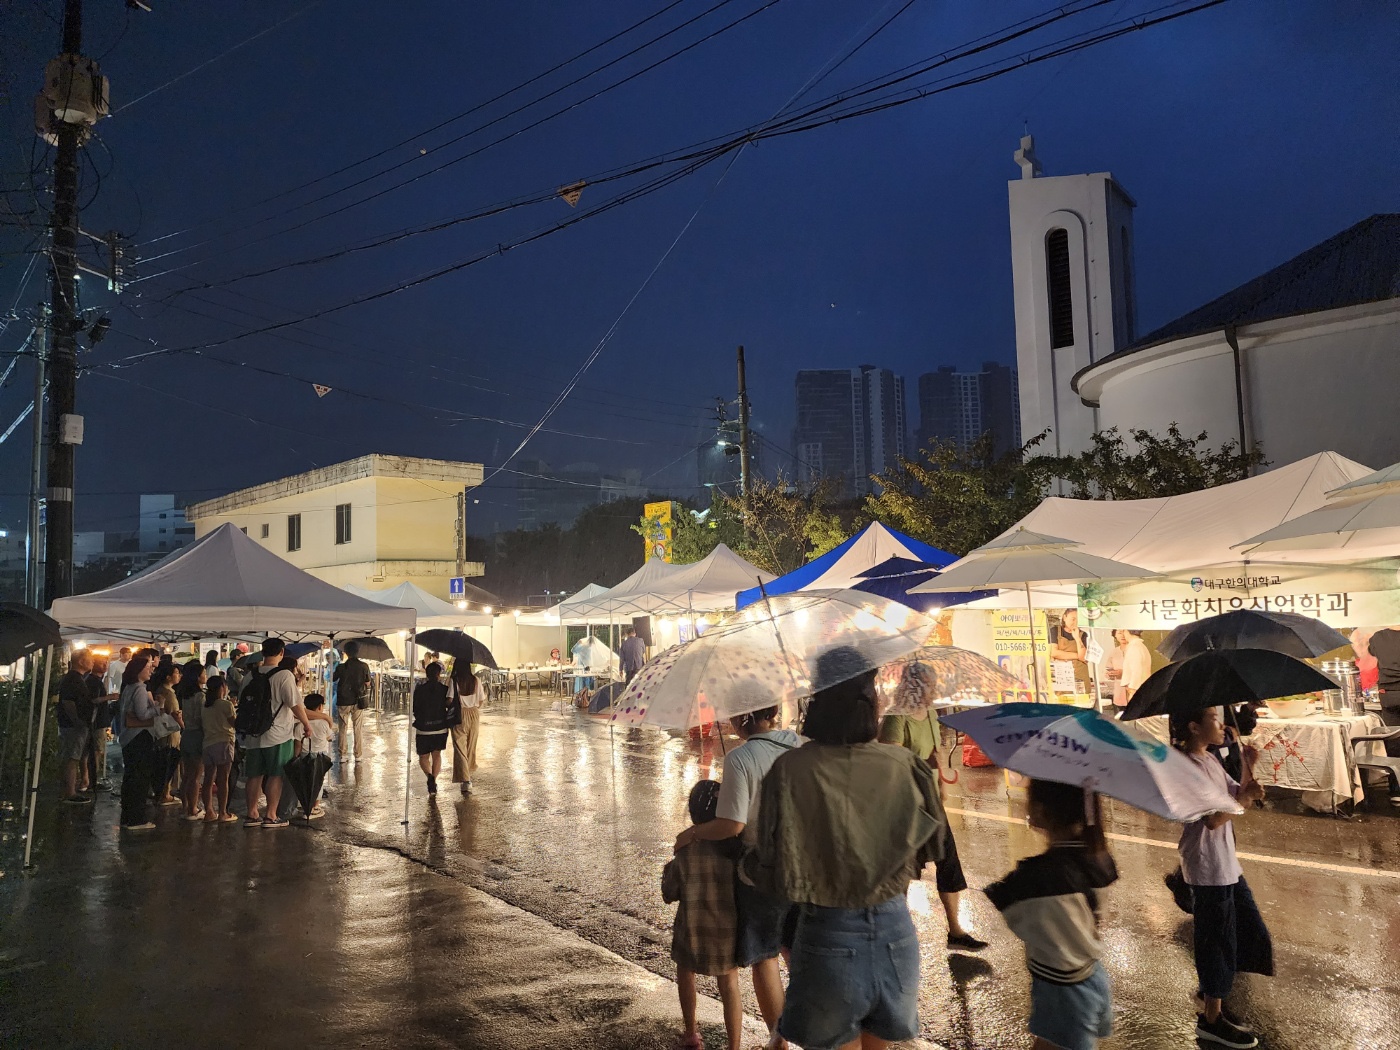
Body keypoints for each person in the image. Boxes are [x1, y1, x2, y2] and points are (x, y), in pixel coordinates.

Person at [748, 647, 948, 1050]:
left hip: (827, 935)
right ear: (872, 698)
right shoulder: (904, 766)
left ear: (817, 700)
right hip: (896, 932)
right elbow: (934, 849)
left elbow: (769, 867)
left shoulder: (789, 770)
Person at [673, 705, 799, 1040]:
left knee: (766, 959)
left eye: (732, 713)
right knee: (800, 953)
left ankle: (778, 1044)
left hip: (764, 874)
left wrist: (694, 833)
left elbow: (732, 824)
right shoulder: (797, 743)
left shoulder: (741, 759)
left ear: (744, 718)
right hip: (805, 866)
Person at [985, 779, 1118, 1050]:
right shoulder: (1099, 858)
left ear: (1043, 810)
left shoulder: (1038, 875)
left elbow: (1011, 910)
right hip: (1091, 974)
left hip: (1062, 989)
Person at [1172, 706, 1272, 1049]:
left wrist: (1248, 764)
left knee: (1244, 928)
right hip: (1207, 865)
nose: (1223, 725)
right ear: (1194, 726)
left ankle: (1214, 988)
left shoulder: (1210, 759)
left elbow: (1234, 794)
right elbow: (1213, 819)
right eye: (1214, 719)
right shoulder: (1186, 767)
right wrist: (1243, 798)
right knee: (1216, 939)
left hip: (1226, 862)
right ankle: (1212, 1019)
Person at [879, 699, 988, 951]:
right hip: (905, 802)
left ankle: (956, 931)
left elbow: (935, 756)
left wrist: (940, 787)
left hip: (930, 799)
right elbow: (890, 759)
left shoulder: (929, 714)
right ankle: (897, 930)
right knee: (906, 865)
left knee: (948, 858)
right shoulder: (897, 716)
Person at [663, 779, 745, 1050]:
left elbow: (669, 891)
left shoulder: (687, 846)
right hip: (726, 932)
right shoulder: (735, 848)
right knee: (730, 985)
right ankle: (734, 1045)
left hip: (691, 928)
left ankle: (691, 1033)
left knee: (686, 974)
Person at [242, 638, 313, 828]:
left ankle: (252, 813)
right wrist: (306, 724)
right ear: (282, 653)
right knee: (276, 775)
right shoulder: (284, 675)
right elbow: (295, 704)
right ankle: (271, 815)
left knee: (254, 775)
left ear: (263, 652)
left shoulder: (250, 675)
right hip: (278, 735)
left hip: (252, 734)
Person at [1356, 626, 1400, 805]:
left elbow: (1368, 665)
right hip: (1389, 692)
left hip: (1388, 694)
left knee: (1395, 744)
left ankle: (1397, 791)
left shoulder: (1378, 637)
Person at [117, 655, 160, 831]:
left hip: (128, 737)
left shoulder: (128, 688)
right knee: (140, 777)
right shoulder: (140, 689)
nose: (151, 669)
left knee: (130, 777)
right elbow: (142, 714)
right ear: (138, 670)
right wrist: (158, 707)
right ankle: (137, 818)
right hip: (139, 736)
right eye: (148, 667)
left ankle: (127, 817)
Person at [56, 649, 99, 804]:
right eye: (90, 659)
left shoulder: (77, 678)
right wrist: (77, 721)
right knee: (72, 757)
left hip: (75, 724)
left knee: (73, 756)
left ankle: (68, 790)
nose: (93, 661)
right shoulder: (73, 679)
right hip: (73, 726)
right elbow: (68, 702)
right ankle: (70, 792)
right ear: (81, 661)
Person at [200, 676, 239, 824]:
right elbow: (233, 723)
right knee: (223, 779)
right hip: (223, 742)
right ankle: (223, 812)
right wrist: (234, 708)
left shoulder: (205, 705)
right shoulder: (225, 705)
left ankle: (209, 811)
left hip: (207, 744)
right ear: (222, 687)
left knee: (208, 779)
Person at [412, 663, 452, 796]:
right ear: (438, 674)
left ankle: (429, 777)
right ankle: (433, 781)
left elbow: (415, 709)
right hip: (440, 728)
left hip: (423, 728)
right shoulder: (444, 689)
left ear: (426, 674)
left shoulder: (419, 689)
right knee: (437, 755)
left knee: (423, 757)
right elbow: (449, 706)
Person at [293, 693, 336, 818]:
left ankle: (305, 803)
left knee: (306, 780)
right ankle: (315, 807)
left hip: (305, 755)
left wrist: (296, 757)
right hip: (320, 756)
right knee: (318, 781)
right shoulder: (323, 723)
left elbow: (297, 743)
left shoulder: (301, 724)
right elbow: (330, 738)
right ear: (320, 707)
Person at [148, 663, 183, 807]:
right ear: (168, 677)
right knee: (168, 763)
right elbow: (174, 715)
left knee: (163, 763)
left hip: (163, 734)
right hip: (169, 734)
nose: (179, 675)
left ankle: (163, 792)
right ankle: (165, 794)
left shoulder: (163, 691)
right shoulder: (168, 694)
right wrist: (182, 722)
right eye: (176, 673)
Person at [176, 660, 207, 820]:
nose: (206, 675)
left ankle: (185, 806)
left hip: (186, 734)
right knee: (195, 776)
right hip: (197, 736)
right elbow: (203, 718)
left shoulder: (185, 695)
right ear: (197, 677)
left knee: (187, 775)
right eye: (203, 673)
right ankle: (193, 809)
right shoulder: (200, 696)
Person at [333, 640, 372, 762]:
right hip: (358, 700)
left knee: (342, 728)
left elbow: (334, 679)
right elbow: (368, 683)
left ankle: (343, 755)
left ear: (346, 653)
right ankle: (358, 755)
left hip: (343, 700)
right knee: (357, 728)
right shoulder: (364, 666)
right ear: (357, 652)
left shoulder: (340, 667)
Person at [449, 662, 481, 796]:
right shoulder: (476, 680)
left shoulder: (454, 680)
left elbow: (450, 700)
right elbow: (481, 701)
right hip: (474, 713)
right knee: (470, 747)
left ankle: (466, 781)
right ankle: (468, 777)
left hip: (460, 714)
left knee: (460, 747)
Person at [84, 656, 114, 793]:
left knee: (93, 751)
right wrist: (110, 697)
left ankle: (89, 779)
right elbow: (93, 700)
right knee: (95, 751)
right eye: (102, 663)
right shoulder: (93, 682)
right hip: (96, 722)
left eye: (106, 663)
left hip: (98, 721)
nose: (105, 665)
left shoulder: (96, 681)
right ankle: (91, 780)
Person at [1051, 608, 1089, 691]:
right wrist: (1077, 656)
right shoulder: (1055, 631)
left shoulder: (1083, 635)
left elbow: (1084, 658)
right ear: (1064, 617)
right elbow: (1054, 653)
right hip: (1062, 677)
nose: (1075, 622)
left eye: (1078, 620)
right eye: (1073, 619)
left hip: (1080, 677)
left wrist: (1077, 638)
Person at [1119, 630, 1152, 708]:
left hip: (1137, 690)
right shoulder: (1139, 646)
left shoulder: (1135, 647)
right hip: (1142, 688)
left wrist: (1133, 690)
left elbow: (1136, 670)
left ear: (1127, 631)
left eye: (1124, 631)